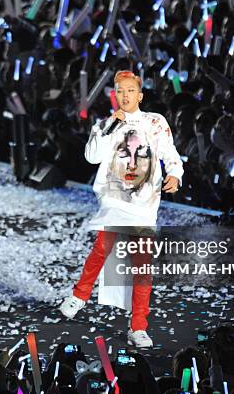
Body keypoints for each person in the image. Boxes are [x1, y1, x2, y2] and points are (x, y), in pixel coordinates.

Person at [59, 70, 184, 348]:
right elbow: (92, 156)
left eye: (130, 91)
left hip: (143, 204)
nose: (125, 96)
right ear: (115, 95)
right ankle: (79, 296)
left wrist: (175, 174)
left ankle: (138, 326)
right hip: (115, 199)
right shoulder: (107, 124)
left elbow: (169, 153)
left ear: (139, 95)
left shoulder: (155, 122)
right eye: (120, 91)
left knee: (142, 266)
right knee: (102, 248)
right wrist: (107, 127)